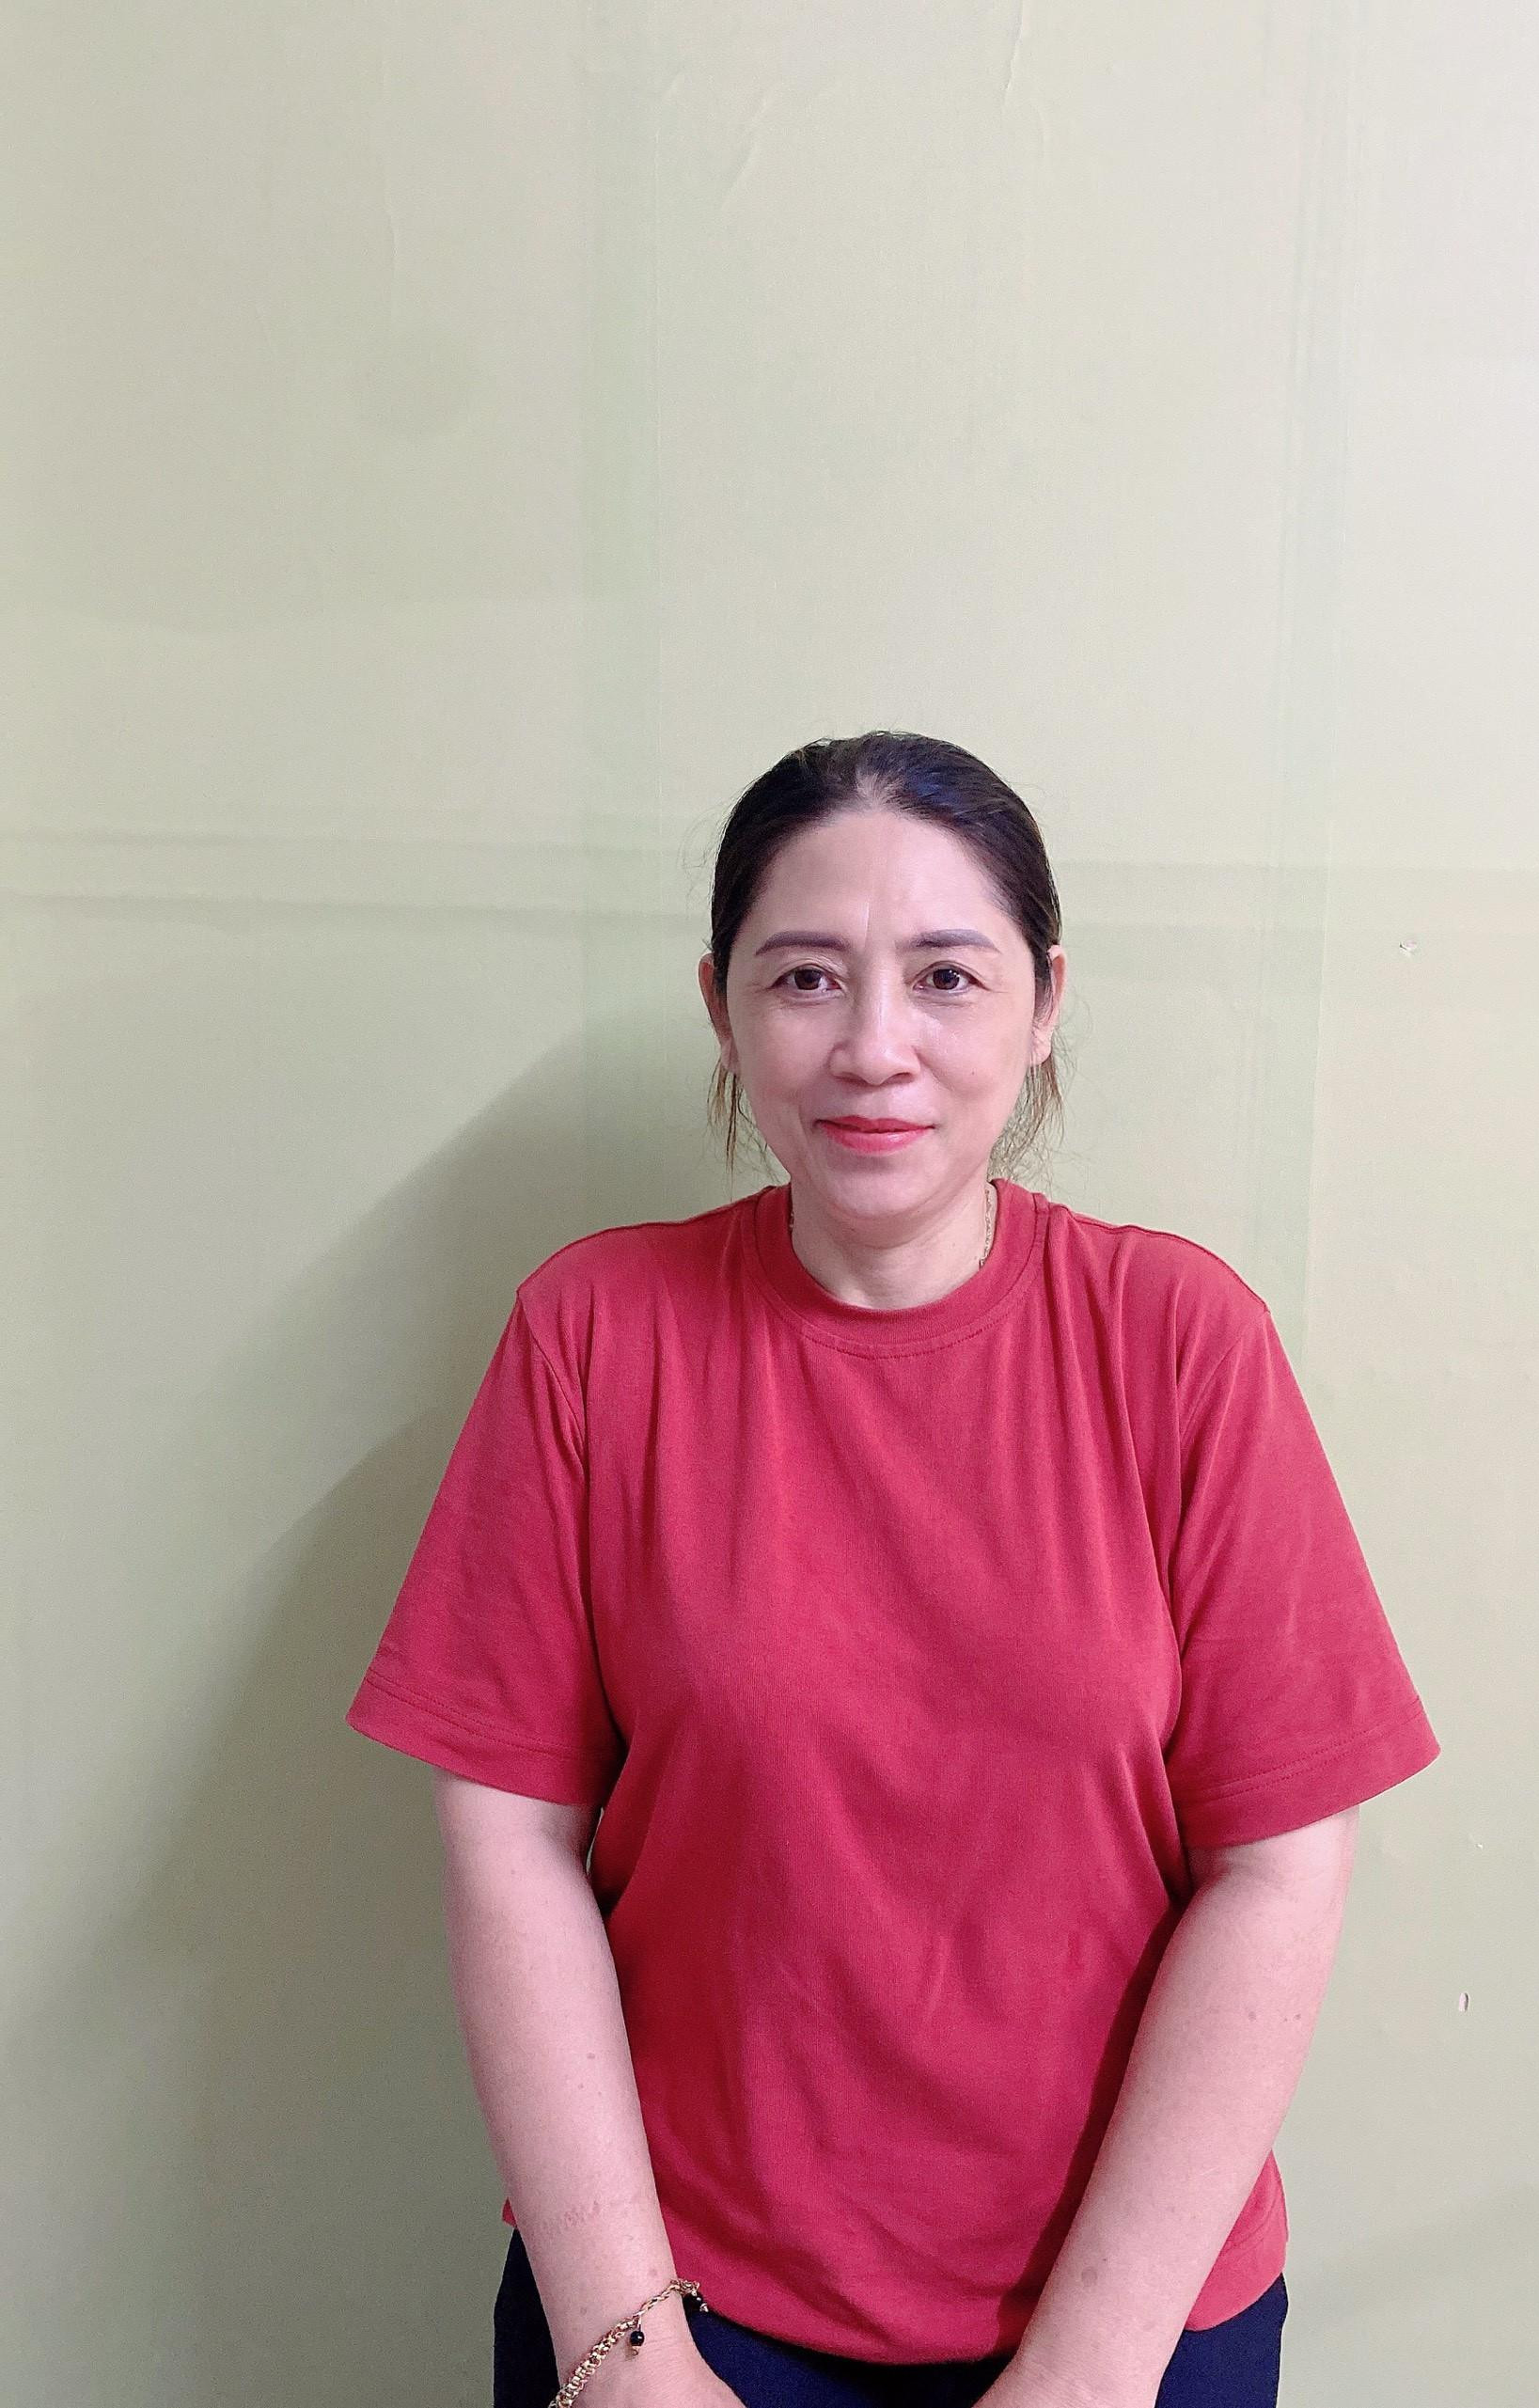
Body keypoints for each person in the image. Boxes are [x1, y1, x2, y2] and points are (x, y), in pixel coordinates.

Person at [345, 731, 1441, 2408]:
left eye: (945, 975)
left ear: (1042, 1001)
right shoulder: (592, 1334)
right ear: (721, 1007)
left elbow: (1279, 1868)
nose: (873, 1046)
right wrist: (627, 2348)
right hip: (673, 2304)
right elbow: (506, 1839)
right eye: (804, 976)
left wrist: (1089, 2369)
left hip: (1132, 2314)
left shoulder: (1178, 1342)